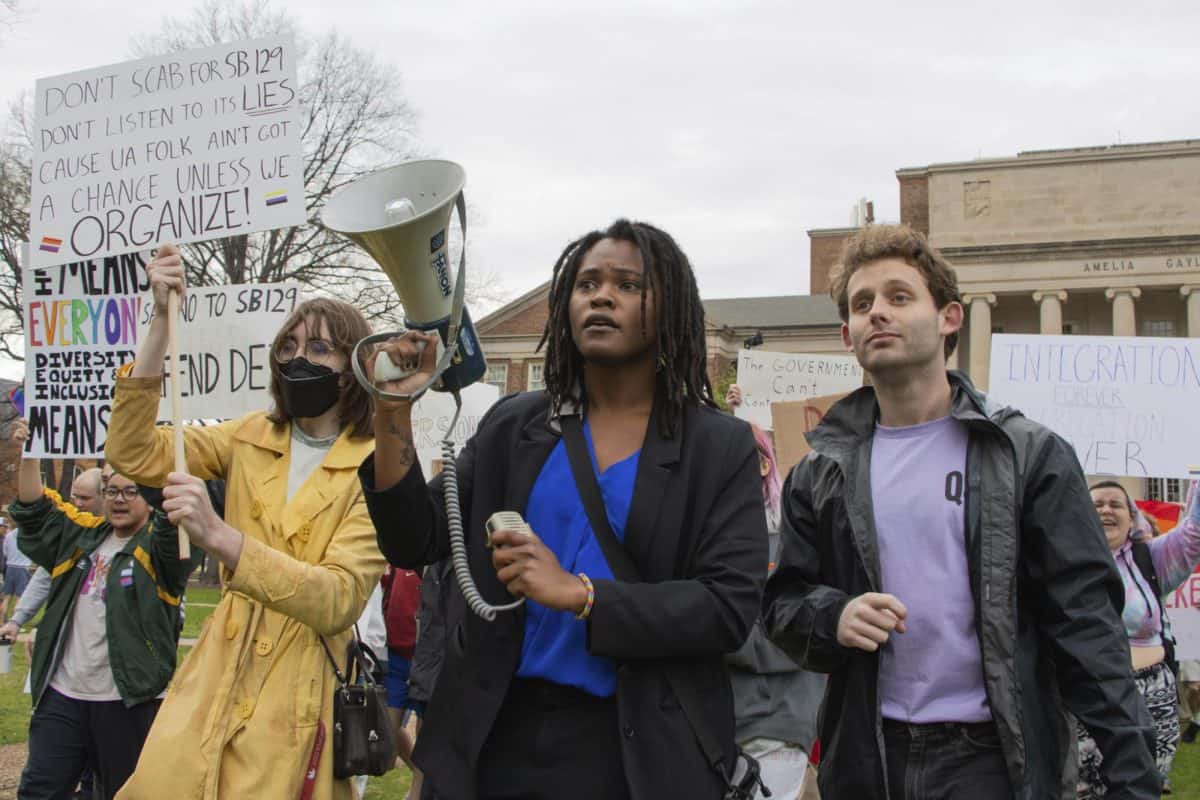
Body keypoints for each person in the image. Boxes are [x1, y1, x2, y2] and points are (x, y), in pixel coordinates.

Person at [360, 219, 767, 799]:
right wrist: (391, 412)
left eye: (628, 285)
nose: (601, 295)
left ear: (670, 306)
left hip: (631, 752)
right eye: (586, 283)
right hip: (492, 741)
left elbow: (728, 607)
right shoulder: (514, 425)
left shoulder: (718, 447)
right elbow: (411, 540)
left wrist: (582, 594)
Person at [763, 224, 1158, 799]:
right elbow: (783, 604)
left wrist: (1132, 773)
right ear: (846, 335)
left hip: (993, 759)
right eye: (862, 303)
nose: (878, 313)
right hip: (869, 755)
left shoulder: (1028, 454)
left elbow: (1086, 624)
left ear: (949, 317)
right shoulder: (819, 470)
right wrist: (834, 616)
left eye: (899, 297)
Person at [103, 243, 387, 800]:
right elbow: (132, 452)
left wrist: (221, 538)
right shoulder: (249, 434)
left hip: (299, 683)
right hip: (217, 668)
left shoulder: (377, 466)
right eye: (290, 344)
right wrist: (160, 323)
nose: (298, 357)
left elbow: (339, 598)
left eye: (320, 347)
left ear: (354, 368)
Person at [7, 420, 192, 800]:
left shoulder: (158, 548)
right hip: (63, 696)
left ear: (148, 496)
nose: (119, 499)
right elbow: (33, 511)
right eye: (111, 491)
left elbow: (177, 533)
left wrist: (159, 464)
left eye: (130, 491)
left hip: (127, 701)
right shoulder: (81, 536)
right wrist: (30, 452)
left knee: (122, 793)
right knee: (40, 789)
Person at [721, 417, 824, 800]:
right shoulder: (711, 543)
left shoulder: (791, 541)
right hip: (721, 731)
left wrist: (706, 620)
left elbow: (797, 636)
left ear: (765, 464)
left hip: (774, 733)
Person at [1079, 480, 1200, 797]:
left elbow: (1194, 533)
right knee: (1085, 789)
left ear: (1132, 518)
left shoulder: (1152, 560)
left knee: (1140, 790)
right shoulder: (1061, 562)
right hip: (1086, 697)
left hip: (1151, 701)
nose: (1106, 509)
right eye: (1096, 504)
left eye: (1116, 504)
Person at [2, 509, 34, 621]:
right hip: (23, 569)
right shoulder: (29, 536)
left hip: (10, 568)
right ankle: (13, 622)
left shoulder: (9, 535)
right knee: (19, 598)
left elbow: (5, 552)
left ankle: (1, 622)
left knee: (6, 597)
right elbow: (32, 552)